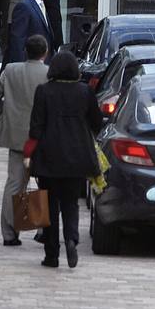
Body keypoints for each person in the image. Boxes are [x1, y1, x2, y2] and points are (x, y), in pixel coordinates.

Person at [24, 52, 103, 268]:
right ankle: (71, 238)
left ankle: (51, 254)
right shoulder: (85, 91)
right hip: (77, 156)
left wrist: (29, 152)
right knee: (71, 203)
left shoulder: (44, 91)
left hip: (48, 156)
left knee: (48, 206)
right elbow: (97, 122)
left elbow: (36, 127)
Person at [0, 34, 47, 246]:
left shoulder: (11, 70)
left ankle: (10, 233)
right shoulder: (49, 74)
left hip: (16, 137)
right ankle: (41, 229)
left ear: (25, 51)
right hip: (42, 139)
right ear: (45, 53)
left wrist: (6, 115)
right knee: (43, 184)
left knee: (14, 184)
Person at [6, 0, 54, 66]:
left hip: (41, 64)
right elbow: (17, 39)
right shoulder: (24, 6)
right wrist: (20, 67)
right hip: (29, 65)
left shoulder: (41, 4)